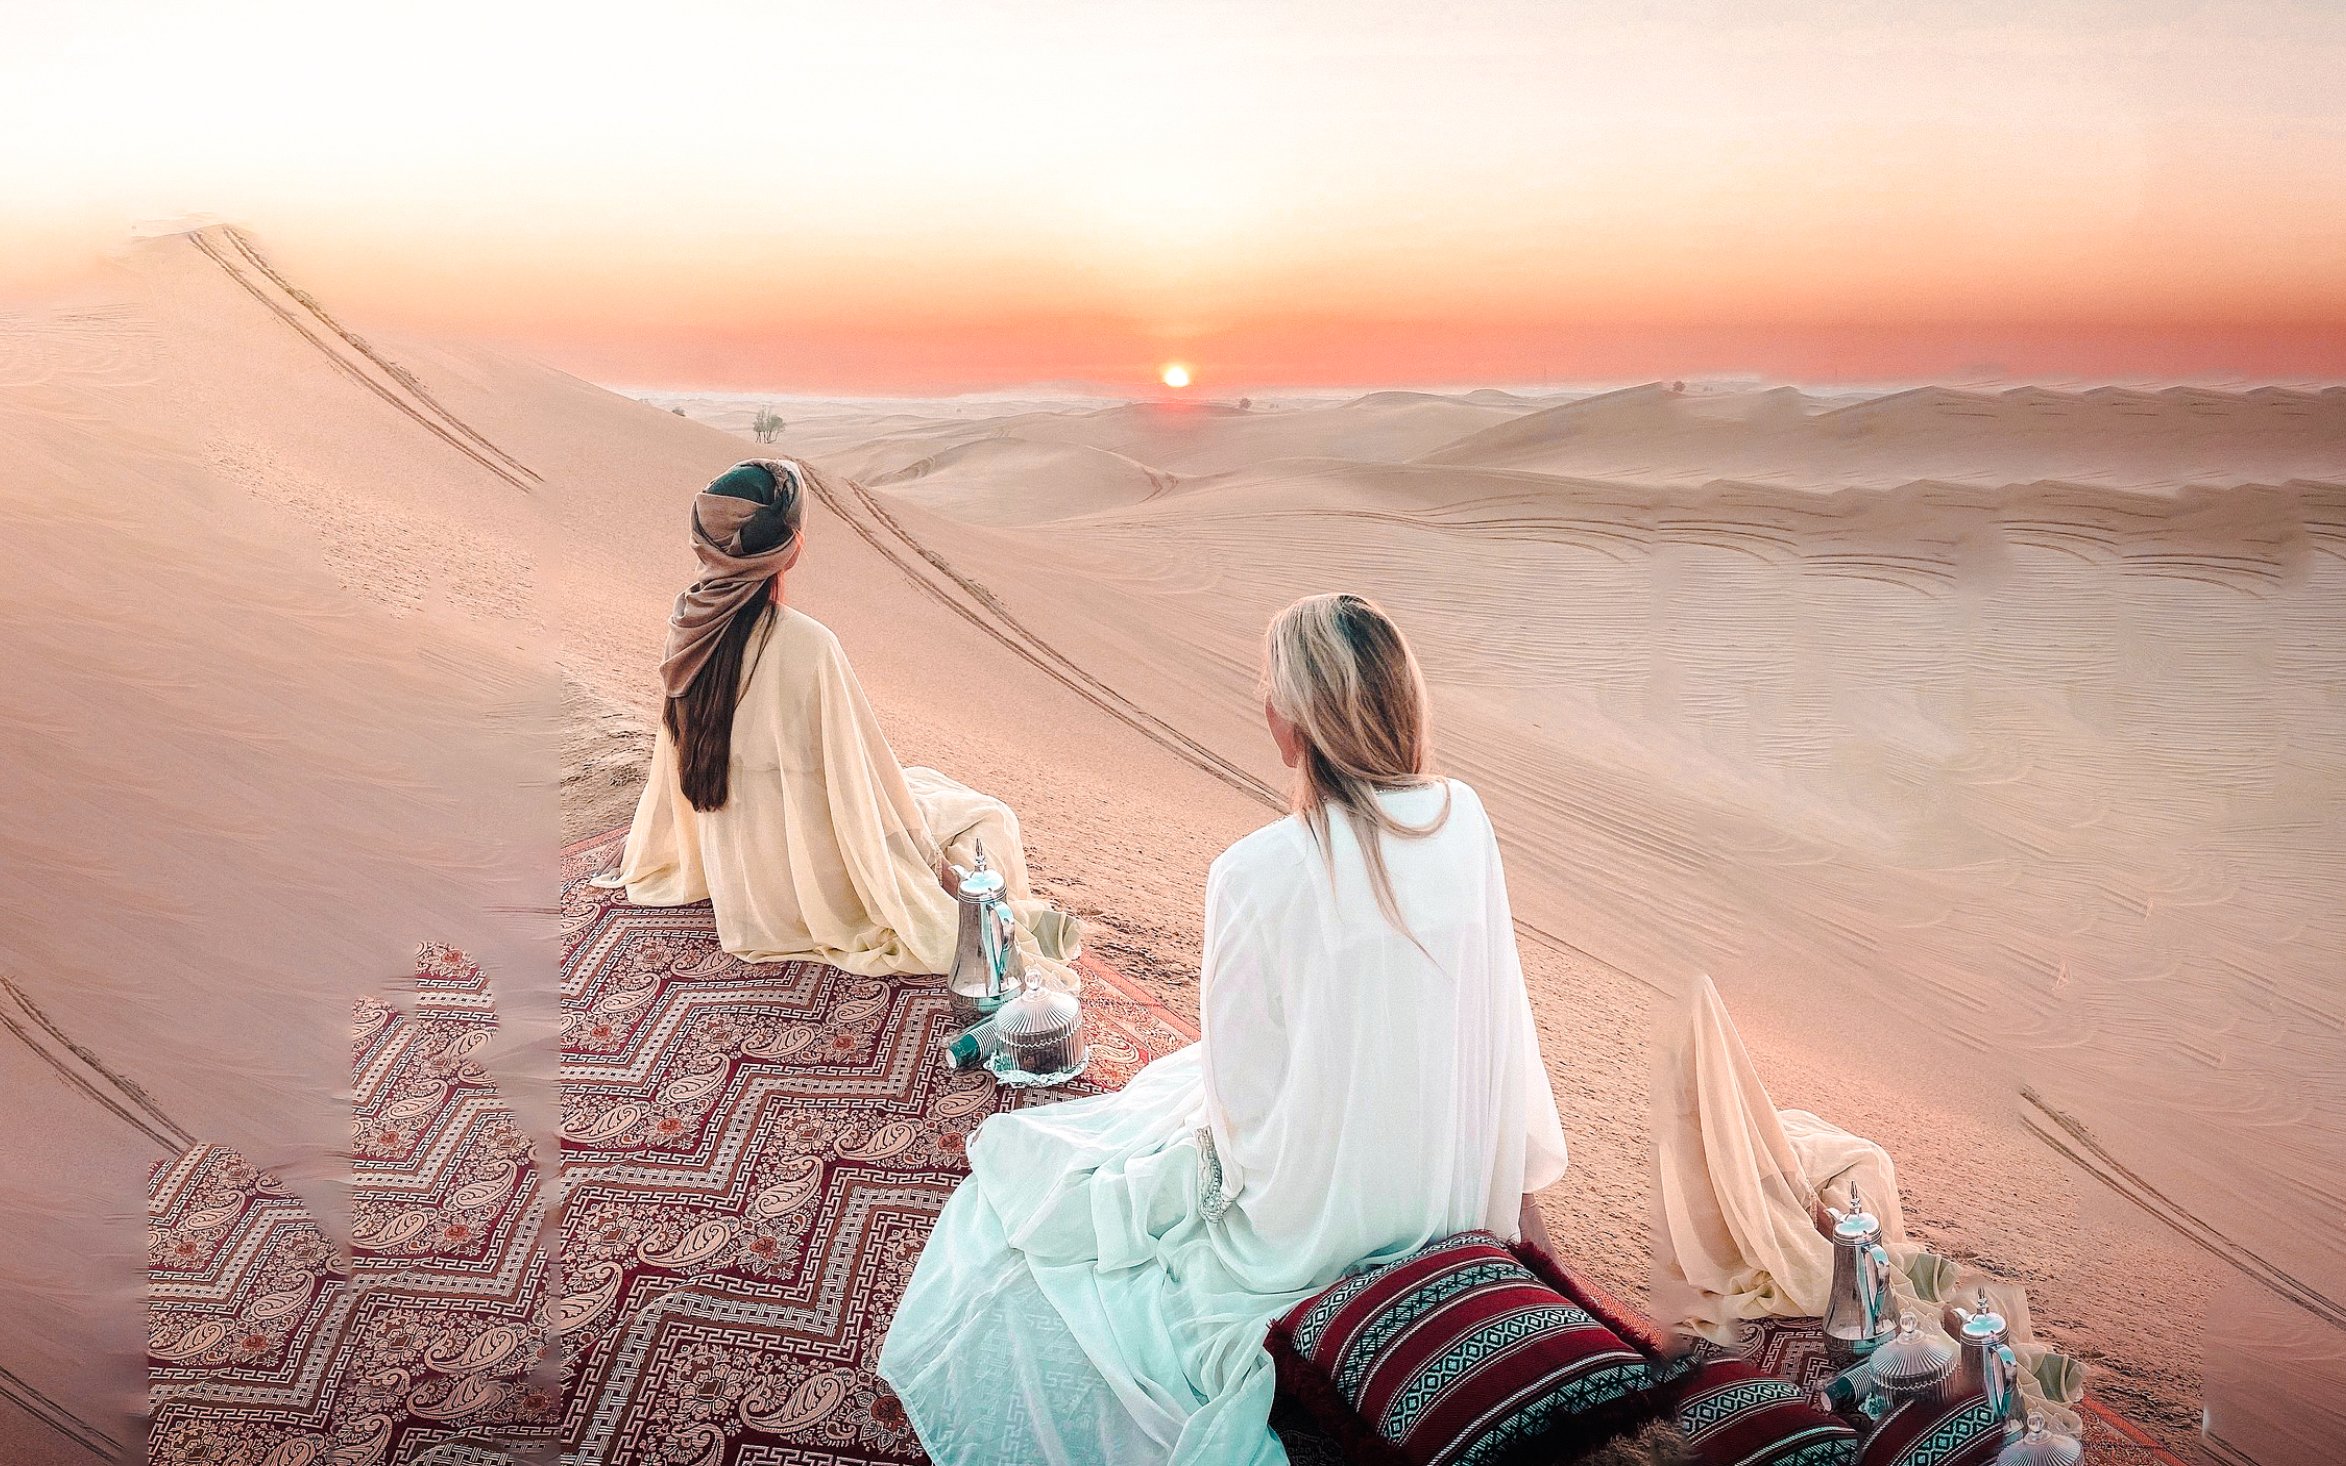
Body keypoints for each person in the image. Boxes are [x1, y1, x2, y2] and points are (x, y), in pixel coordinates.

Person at [879, 592, 1570, 1465]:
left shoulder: (1253, 870)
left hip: (1305, 1226)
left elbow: (1240, 1107)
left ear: (1298, 723)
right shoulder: (1465, 818)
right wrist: (1500, 1181)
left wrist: (1219, 1169)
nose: (1262, 700)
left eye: (1269, 684)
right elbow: (1500, 1020)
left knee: (1086, 1182)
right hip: (1451, 1190)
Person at [607, 458, 1071, 978]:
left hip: (738, 864)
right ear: (787, 549)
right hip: (806, 870)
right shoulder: (808, 645)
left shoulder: (686, 624)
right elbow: (859, 783)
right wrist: (927, 867)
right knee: (988, 818)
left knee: (930, 791)